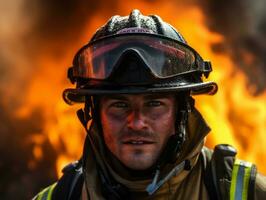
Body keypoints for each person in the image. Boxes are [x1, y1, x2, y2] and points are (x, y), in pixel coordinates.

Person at [33, 9, 266, 200]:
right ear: (95, 113)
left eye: (154, 104)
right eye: (119, 105)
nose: (136, 122)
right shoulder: (60, 196)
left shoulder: (244, 192)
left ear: (181, 114)